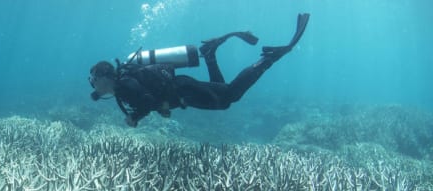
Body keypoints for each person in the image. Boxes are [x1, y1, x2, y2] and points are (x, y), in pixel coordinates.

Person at [89, 13, 310, 127]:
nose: (93, 85)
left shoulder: (124, 85)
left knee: (229, 96)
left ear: (104, 77)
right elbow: (151, 97)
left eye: (94, 80)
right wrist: (158, 108)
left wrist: (135, 117)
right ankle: (210, 54)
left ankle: (268, 59)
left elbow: (146, 101)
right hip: (181, 90)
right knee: (223, 95)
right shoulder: (123, 84)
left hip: (183, 90)